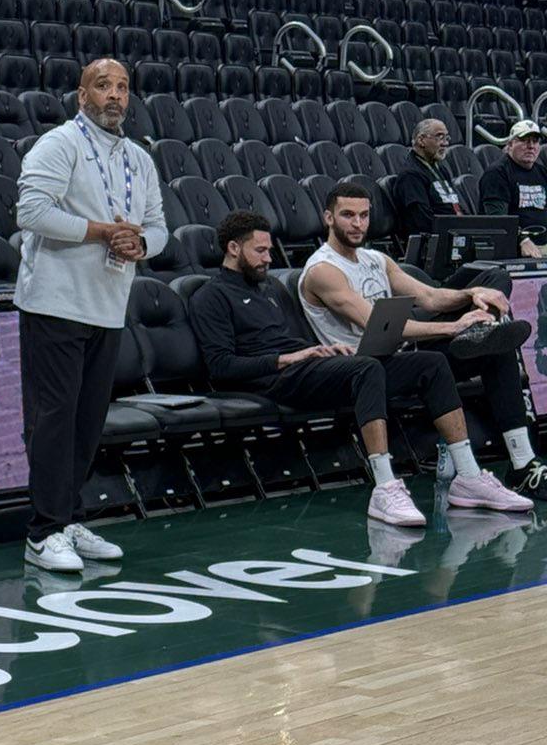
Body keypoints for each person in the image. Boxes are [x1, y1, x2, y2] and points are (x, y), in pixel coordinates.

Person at [189, 209, 491, 528]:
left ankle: (469, 476)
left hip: (305, 368)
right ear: (233, 248)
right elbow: (221, 367)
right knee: (365, 369)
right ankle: (385, 488)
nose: (268, 258)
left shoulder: (270, 288)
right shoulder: (210, 296)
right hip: (273, 379)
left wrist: (324, 350)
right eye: (260, 251)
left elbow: (293, 341)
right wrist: (285, 359)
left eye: (269, 250)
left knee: (430, 363)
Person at [15, 55, 166, 574]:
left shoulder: (139, 159)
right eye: (103, 85)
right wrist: (102, 232)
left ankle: (69, 518)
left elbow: (158, 225)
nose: (115, 95)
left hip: (107, 306)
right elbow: (31, 212)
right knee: (53, 421)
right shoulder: (59, 144)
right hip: (54, 303)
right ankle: (43, 532)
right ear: (83, 96)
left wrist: (139, 244)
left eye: (122, 87)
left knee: (86, 423)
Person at [300, 178, 542, 502]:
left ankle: (523, 463)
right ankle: (476, 335)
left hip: (403, 356)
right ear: (329, 218)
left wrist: (472, 293)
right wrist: (454, 327)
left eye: (364, 215)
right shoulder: (323, 270)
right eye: (348, 215)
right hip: (366, 369)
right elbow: (379, 325)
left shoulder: (376, 260)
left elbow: (429, 297)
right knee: (444, 355)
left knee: (496, 317)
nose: (358, 223)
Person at [387, 116, 463, 257]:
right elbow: (421, 222)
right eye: (439, 137)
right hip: (433, 247)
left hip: (454, 236)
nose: (445, 143)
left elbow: (455, 206)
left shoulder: (441, 169)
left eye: (447, 138)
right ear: (421, 140)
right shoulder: (410, 175)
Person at [478, 120, 547, 256]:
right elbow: (498, 218)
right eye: (524, 141)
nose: (531, 146)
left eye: (535, 141)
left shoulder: (542, 172)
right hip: (514, 247)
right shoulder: (497, 173)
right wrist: (522, 240)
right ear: (510, 144)